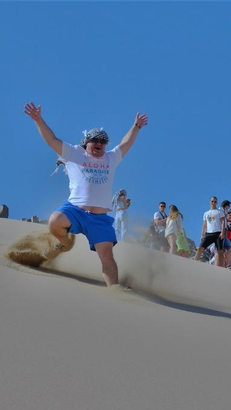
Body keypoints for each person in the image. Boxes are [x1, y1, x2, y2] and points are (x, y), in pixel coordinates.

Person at [23, 101, 148, 288]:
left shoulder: (111, 158)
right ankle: (64, 242)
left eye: (103, 142)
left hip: (99, 219)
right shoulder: (75, 154)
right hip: (74, 210)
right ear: (86, 143)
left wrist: (136, 126)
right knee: (54, 220)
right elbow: (52, 140)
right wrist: (38, 120)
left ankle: (115, 289)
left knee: (107, 257)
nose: (99, 144)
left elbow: (125, 143)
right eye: (95, 141)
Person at [193, 196, 225, 267]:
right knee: (200, 248)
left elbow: (223, 222)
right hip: (208, 233)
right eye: (212, 201)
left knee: (220, 252)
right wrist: (202, 234)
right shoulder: (206, 213)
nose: (213, 203)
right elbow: (204, 225)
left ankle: (221, 268)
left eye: (215, 201)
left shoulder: (219, 212)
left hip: (218, 233)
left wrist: (223, 232)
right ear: (210, 202)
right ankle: (193, 264)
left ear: (217, 202)